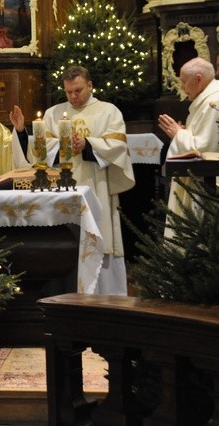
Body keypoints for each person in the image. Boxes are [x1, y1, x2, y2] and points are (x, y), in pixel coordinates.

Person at [43, 66, 135, 295]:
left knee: (99, 237)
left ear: (90, 85)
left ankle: (106, 296)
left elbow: (118, 147)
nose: (73, 97)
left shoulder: (108, 112)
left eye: (78, 90)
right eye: (68, 92)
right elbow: (41, 149)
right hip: (63, 188)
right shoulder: (53, 113)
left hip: (97, 186)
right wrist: (63, 144)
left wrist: (88, 145)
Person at [158, 58, 219, 236]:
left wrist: (178, 133)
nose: (183, 87)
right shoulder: (217, 97)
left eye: (184, 81)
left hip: (212, 188)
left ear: (198, 78)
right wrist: (186, 132)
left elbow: (206, 151)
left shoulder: (215, 102)